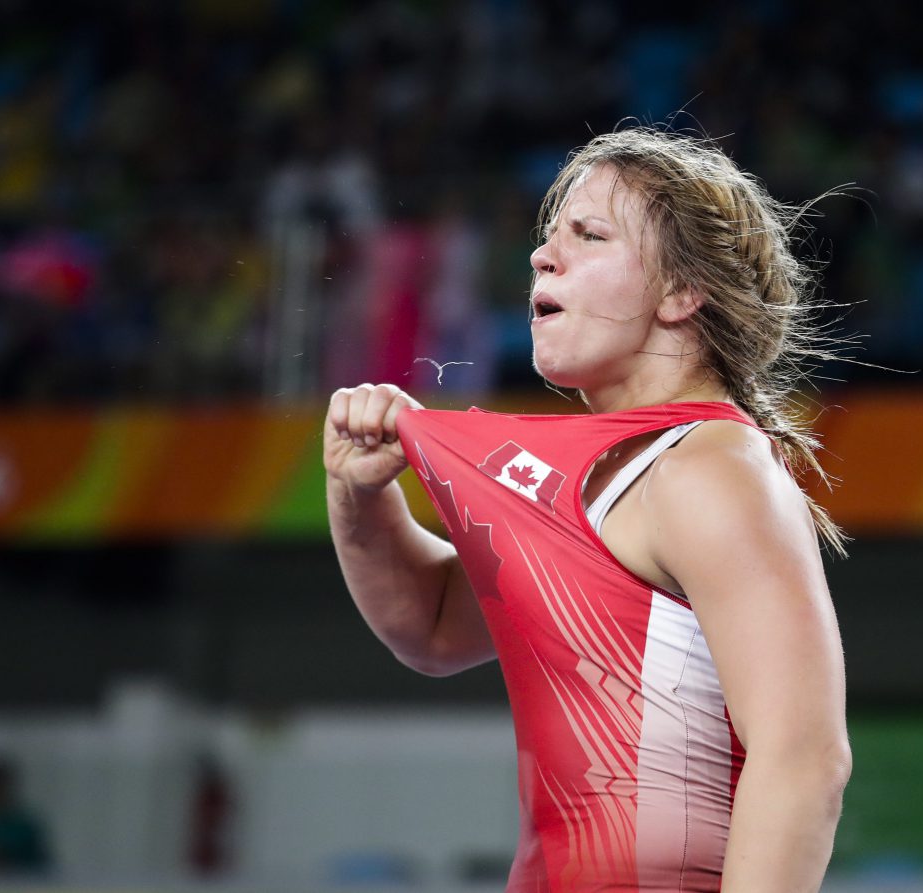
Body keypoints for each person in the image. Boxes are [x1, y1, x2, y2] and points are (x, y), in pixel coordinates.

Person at [325, 127, 850, 892]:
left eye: (588, 234)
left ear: (681, 291)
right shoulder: (602, 479)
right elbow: (433, 626)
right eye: (548, 236)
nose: (541, 255)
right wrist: (358, 495)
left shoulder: (709, 467)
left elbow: (804, 761)